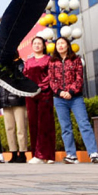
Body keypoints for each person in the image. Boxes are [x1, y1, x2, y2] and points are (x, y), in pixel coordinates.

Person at [48, 37, 98, 164]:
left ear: (68, 45)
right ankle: (71, 155)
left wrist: (71, 92)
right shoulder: (52, 62)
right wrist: (60, 92)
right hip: (59, 99)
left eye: (63, 43)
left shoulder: (76, 59)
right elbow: (51, 80)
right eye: (58, 44)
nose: (60, 46)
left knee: (84, 124)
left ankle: (93, 153)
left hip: (76, 97)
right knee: (65, 127)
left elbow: (79, 78)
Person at [24, 36, 56, 164]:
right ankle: (36, 154)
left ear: (44, 46)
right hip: (30, 95)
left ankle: (48, 155)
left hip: (45, 94)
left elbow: (51, 76)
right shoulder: (28, 61)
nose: (37, 45)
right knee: (33, 124)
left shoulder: (49, 60)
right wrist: (29, 90)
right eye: (35, 43)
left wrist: (40, 88)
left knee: (45, 124)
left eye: (39, 43)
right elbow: (25, 77)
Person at [0, 55, 27, 163]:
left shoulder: (21, 65)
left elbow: (19, 78)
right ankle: (13, 153)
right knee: (9, 128)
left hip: (18, 98)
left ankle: (22, 153)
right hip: (5, 99)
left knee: (21, 128)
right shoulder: (1, 65)